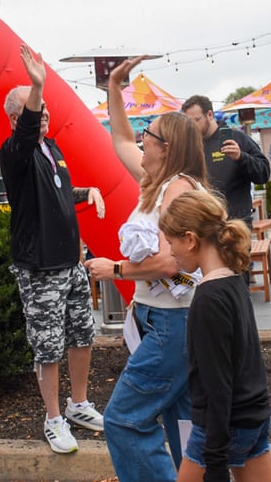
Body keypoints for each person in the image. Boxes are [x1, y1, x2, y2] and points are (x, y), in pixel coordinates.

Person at [84, 56, 210, 482]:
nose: (141, 139)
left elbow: (173, 261)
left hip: (172, 325)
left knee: (123, 420)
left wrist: (115, 268)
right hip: (162, 321)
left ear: (167, 147)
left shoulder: (177, 190)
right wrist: (114, 89)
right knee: (182, 422)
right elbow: (118, 137)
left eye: (149, 136)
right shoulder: (156, 179)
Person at [0, 44, 106, 454]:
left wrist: (88, 190)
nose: (43, 115)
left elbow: (59, 192)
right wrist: (37, 83)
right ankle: (54, 418)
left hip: (70, 262)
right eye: (34, 110)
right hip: (39, 266)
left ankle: (79, 405)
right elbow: (27, 133)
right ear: (16, 118)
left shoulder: (52, 149)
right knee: (47, 345)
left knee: (82, 334)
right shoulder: (15, 153)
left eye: (44, 110)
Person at [159, 189, 271, 482]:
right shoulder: (234, 281)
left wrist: (216, 463)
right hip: (256, 415)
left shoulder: (207, 299)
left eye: (171, 242)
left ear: (190, 239)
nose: (170, 251)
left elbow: (216, 384)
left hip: (220, 427)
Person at [180, 95, 270, 229]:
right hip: (205, 225)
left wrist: (241, 157)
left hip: (236, 225)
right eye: (189, 122)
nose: (192, 126)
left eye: (196, 120)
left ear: (210, 115)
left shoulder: (237, 138)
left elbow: (263, 174)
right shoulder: (190, 147)